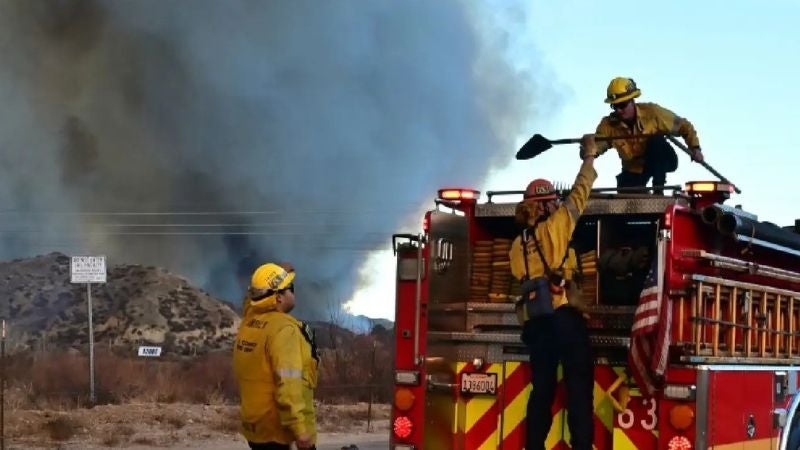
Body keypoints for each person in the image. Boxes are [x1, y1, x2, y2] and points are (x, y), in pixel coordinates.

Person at [509, 134, 598, 450]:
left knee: (542, 389)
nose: (557, 203)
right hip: (563, 318)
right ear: (545, 204)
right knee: (578, 387)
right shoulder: (557, 226)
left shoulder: (517, 244)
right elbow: (580, 195)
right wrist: (588, 158)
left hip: (536, 324)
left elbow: (520, 279)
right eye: (552, 200)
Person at [233, 262, 319, 450]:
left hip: (255, 427)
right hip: (278, 431)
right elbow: (288, 384)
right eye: (291, 289)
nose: (294, 293)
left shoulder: (250, 320)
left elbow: (253, 299)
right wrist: (299, 430)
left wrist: (276, 275)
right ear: (279, 297)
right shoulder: (284, 330)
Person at [587, 77, 704, 194]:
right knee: (625, 199)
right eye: (614, 106)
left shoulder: (652, 113)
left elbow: (684, 126)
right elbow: (598, 145)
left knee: (655, 140)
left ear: (632, 101)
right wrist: (588, 151)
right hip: (634, 169)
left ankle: (658, 189)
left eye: (622, 105)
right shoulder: (608, 125)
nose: (618, 110)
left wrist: (695, 148)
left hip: (661, 161)